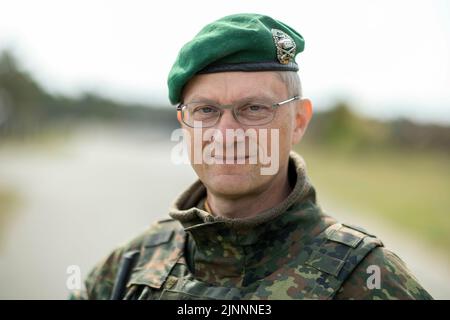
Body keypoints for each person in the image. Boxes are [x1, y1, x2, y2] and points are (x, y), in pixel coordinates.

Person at [71, 13, 432, 300]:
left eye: (254, 108)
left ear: (299, 121)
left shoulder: (367, 279)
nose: (226, 134)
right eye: (206, 110)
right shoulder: (129, 268)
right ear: (184, 123)